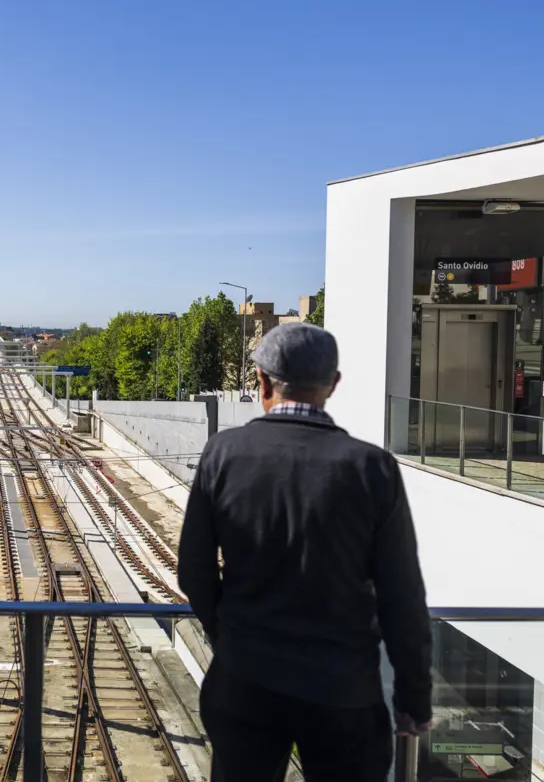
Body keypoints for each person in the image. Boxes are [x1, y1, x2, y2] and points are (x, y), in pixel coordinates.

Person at [178, 323, 432, 782]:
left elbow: (193, 571)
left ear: (261, 381)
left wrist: (232, 637)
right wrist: (413, 700)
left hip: (245, 684)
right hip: (343, 690)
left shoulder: (224, 454)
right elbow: (403, 596)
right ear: (333, 385)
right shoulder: (371, 467)